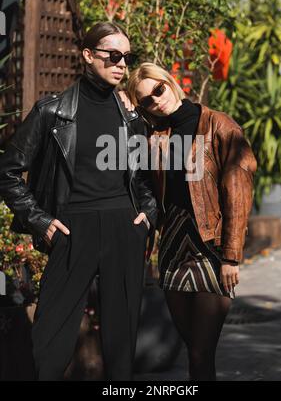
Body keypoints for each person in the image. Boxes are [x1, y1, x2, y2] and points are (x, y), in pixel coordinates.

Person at [0, 23, 158, 381]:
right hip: (72, 229)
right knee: (49, 343)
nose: (121, 65)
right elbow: (7, 171)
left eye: (126, 58)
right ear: (88, 56)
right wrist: (40, 221)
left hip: (124, 227)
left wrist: (147, 213)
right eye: (113, 55)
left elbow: (144, 178)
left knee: (121, 346)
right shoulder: (51, 113)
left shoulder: (133, 119)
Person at [119, 62, 257, 381]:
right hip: (173, 250)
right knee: (192, 347)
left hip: (210, 247)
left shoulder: (218, 125)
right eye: (146, 100)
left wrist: (231, 256)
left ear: (170, 82)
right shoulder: (155, 136)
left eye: (158, 89)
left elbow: (237, 192)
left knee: (201, 352)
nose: (156, 100)